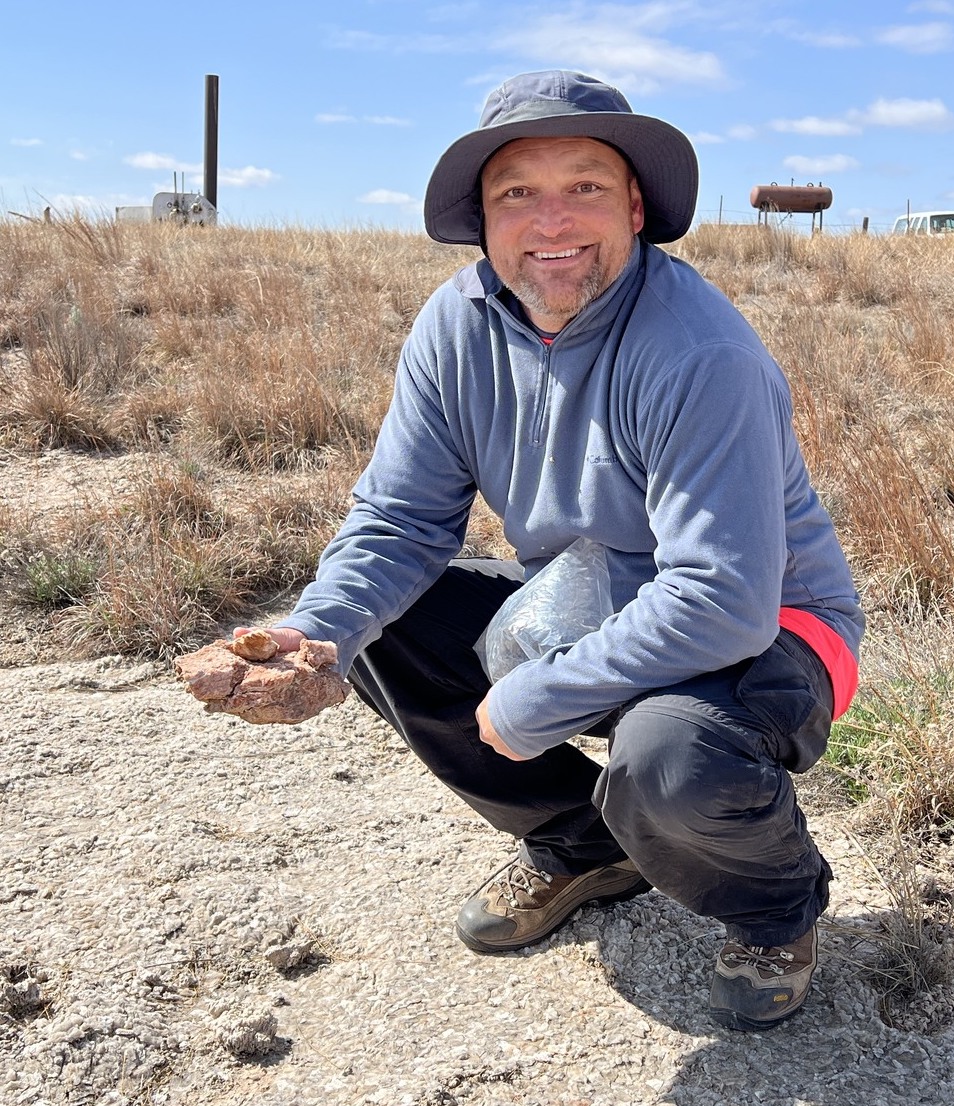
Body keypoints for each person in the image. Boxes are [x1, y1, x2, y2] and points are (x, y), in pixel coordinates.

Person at [235, 70, 863, 1032]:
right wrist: (315, 633)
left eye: (585, 186)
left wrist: (536, 696)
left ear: (637, 208)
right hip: (591, 594)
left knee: (668, 758)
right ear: (480, 219)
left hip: (774, 625)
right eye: (516, 192)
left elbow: (722, 597)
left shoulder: (699, 352)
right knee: (384, 628)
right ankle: (582, 846)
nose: (551, 220)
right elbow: (399, 523)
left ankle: (775, 908)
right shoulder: (456, 325)